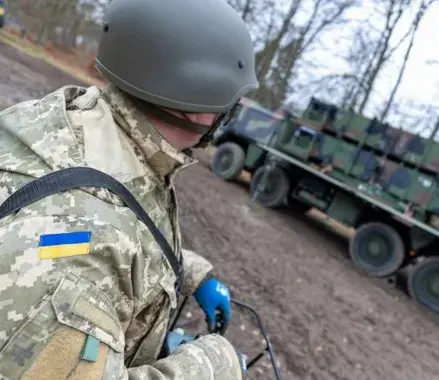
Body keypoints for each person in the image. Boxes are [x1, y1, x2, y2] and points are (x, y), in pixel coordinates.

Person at [0, 0, 258, 379]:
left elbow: (99, 227)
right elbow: (79, 242)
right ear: (192, 104)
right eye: (228, 100)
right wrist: (211, 366)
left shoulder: (86, 121)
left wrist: (190, 272)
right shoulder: (75, 265)